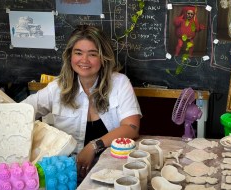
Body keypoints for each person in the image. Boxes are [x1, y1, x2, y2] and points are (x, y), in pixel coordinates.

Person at [22, 25, 142, 181]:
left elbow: (131, 128)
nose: (84, 60)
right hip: (66, 175)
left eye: (92, 54)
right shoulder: (56, 88)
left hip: (112, 172)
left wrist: (93, 146)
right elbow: (20, 113)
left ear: (103, 57)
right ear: (70, 56)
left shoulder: (120, 83)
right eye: (78, 53)